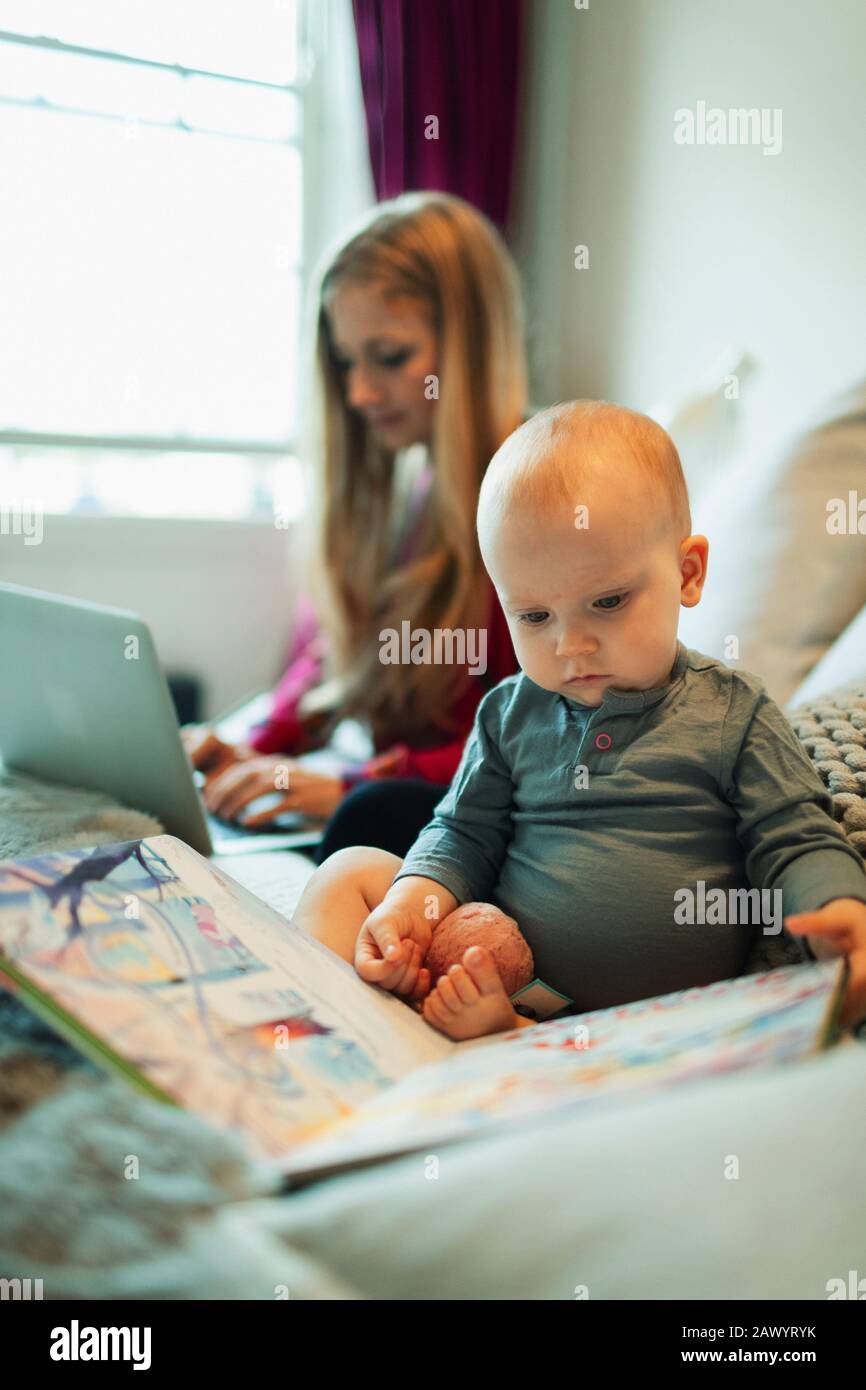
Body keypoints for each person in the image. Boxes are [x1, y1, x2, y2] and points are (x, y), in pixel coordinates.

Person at [289, 400, 866, 1037]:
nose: (571, 645)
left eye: (607, 602)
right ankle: (338, 1039)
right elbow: (462, 834)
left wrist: (839, 907)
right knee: (346, 873)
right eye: (534, 616)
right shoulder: (509, 714)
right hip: (512, 974)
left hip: (665, 1016)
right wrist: (410, 907)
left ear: (687, 572)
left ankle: (495, 1031)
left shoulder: (735, 711)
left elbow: (795, 835)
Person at [182, 191, 527, 861]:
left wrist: (350, 783)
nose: (359, 393)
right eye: (345, 362)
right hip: (386, 799)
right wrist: (258, 749)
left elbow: (541, 741)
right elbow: (334, 662)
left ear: (471, 348)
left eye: (390, 356)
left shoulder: (541, 497)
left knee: (370, 813)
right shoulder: (408, 492)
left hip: (469, 816)